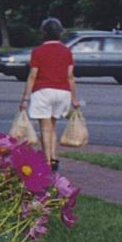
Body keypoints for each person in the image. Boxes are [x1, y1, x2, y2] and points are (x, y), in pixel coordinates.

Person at [21, 17, 79, 170]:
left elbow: (33, 75)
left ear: (43, 33)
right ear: (60, 33)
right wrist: (74, 98)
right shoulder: (67, 52)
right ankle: (54, 158)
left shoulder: (38, 51)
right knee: (53, 126)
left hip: (43, 91)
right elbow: (70, 76)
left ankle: (47, 161)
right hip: (63, 92)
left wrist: (25, 98)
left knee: (45, 128)